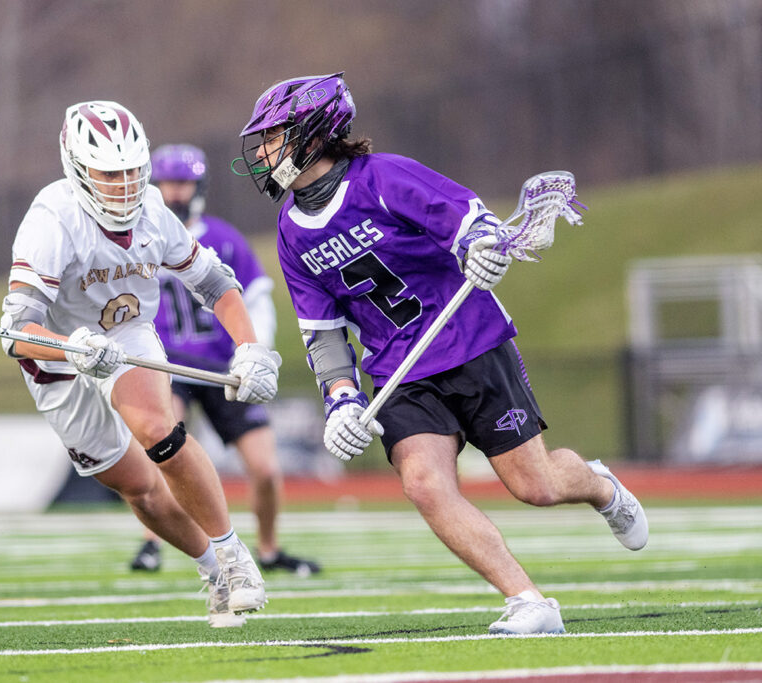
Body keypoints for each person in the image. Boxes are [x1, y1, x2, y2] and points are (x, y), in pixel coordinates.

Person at [233, 73, 649, 635]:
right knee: (425, 484)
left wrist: (482, 248)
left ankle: (601, 486)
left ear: (312, 130)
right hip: (399, 371)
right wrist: (340, 399)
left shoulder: (382, 178)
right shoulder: (290, 230)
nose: (262, 151)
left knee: (537, 486)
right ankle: (528, 600)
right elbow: (324, 331)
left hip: (470, 341)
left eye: (273, 135)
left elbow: (469, 218)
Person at [1, 100, 283, 628]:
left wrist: (249, 346)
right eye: (109, 173)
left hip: (127, 335)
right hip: (59, 360)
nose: (124, 185)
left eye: (132, 170)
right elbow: (17, 335)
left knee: (159, 430)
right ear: (78, 168)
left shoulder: (154, 210)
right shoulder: (51, 220)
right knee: (141, 489)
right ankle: (213, 570)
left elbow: (215, 283)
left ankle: (235, 556)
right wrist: (73, 347)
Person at [128, 143, 320, 577]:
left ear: (199, 187)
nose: (174, 193)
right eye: (167, 183)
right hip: (168, 365)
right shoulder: (143, 235)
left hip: (223, 368)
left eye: (182, 183)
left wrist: (253, 353)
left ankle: (268, 550)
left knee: (267, 469)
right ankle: (151, 543)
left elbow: (256, 297)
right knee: (162, 445)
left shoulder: (223, 238)